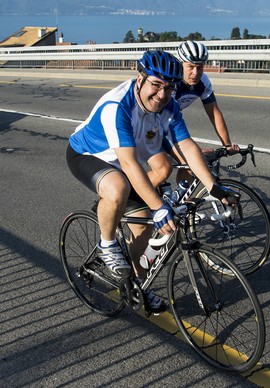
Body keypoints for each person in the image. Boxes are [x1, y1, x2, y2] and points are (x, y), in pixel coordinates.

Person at [66, 49, 237, 313]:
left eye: (169, 88)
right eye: (156, 85)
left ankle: (139, 287)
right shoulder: (117, 107)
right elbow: (129, 165)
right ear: (140, 78)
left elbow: (187, 147)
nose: (161, 95)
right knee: (119, 187)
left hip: (125, 157)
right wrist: (159, 207)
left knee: (143, 232)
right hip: (88, 154)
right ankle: (107, 242)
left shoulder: (169, 105)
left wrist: (213, 187)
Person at [174, 40, 240, 155]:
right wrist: (193, 149)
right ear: (180, 64)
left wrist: (227, 145)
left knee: (192, 162)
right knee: (164, 168)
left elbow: (214, 113)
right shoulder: (170, 82)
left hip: (167, 118)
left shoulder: (203, 81)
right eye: (190, 67)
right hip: (149, 119)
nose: (195, 73)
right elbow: (168, 120)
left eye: (199, 67)